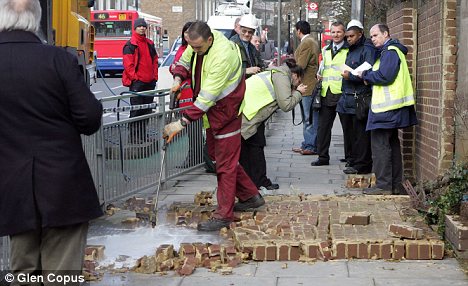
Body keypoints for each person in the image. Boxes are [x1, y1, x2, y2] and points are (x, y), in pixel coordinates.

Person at [0, 0, 103, 281]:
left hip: (10, 185)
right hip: (62, 185)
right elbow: (90, 118)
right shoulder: (57, 59)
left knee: (22, 269)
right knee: (62, 272)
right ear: (36, 20)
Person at [163, 21, 264, 231]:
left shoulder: (222, 55)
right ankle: (250, 196)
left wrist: (180, 124)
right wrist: (178, 78)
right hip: (214, 113)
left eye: (198, 47)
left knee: (225, 165)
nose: (195, 50)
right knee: (217, 156)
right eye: (192, 46)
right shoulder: (199, 42)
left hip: (226, 112)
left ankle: (223, 215)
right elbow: (184, 59)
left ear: (209, 40)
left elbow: (206, 98)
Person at [359, 23, 417, 195]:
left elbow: (385, 76)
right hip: (391, 108)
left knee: (380, 146)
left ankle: (383, 186)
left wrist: (365, 75)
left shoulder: (390, 52)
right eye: (371, 36)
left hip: (386, 109)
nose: (373, 39)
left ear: (386, 34)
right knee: (391, 145)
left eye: (376, 35)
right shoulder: (389, 51)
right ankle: (395, 185)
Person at [240, 59, 306, 190]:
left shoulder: (275, 72)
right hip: (249, 115)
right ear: (295, 75)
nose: (298, 83)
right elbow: (286, 105)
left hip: (247, 112)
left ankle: (251, 182)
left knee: (249, 149)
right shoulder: (282, 77)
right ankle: (258, 181)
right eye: (299, 80)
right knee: (254, 149)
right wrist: (298, 93)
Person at [339, 20, 376, 175]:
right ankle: (353, 159)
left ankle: (362, 164)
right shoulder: (350, 49)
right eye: (347, 36)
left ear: (360, 34)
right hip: (347, 97)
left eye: (352, 36)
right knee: (351, 133)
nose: (348, 39)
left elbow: (368, 72)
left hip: (359, 97)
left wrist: (350, 76)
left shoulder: (367, 49)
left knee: (360, 134)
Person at [312, 21, 349, 166]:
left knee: (347, 127)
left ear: (344, 33)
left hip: (342, 92)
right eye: (333, 32)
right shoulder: (326, 50)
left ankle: (350, 158)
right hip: (326, 92)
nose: (336, 35)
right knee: (323, 127)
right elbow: (323, 68)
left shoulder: (349, 49)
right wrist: (318, 75)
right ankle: (322, 157)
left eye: (339, 32)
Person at [169, 21, 203, 168]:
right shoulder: (182, 48)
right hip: (183, 93)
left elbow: (192, 69)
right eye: (186, 32)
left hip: (192, 92)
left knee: (194, 127)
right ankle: (195, 156)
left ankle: (197, 157)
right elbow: (174, 67)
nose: (188, 34)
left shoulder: (194, 49)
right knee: (190, 129)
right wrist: (175, 69)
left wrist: (180, 69)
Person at [122, 18, 158, 144]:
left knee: (146, 110)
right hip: (137, 83)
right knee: (136, 111)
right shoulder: (130, 45)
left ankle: (143, 136)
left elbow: (154, 60)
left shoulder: (150, 43)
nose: (142, 28)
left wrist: (154, 77)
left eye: (144, 26)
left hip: (149, 82)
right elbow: (128, 65)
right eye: (139, 26)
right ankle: (133, 138)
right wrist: (135, 79)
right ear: (135, 28)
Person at [292, 20, 320, 156]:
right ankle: (307, 144)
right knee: (309, 117)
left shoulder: (307, 43)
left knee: (308, 118)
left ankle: (310, 145)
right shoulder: (312, 41)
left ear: (298, 30)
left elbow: (300, 66)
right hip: (309, 85)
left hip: (307, 86)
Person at [230, 14, 264, 78]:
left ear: (253, 32)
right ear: (239, 29)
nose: (246, 34)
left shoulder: (252, 48)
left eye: (250, 32)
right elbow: (226, 71)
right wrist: (245, 71)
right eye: (244, 31)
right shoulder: (231, 46)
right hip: (238, 86)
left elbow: (260, 65)